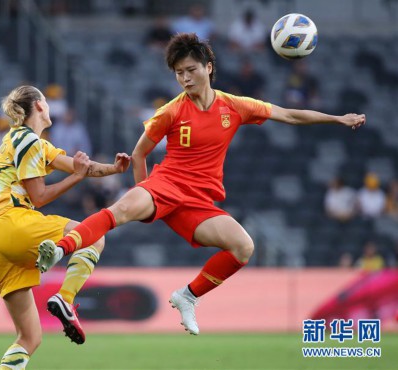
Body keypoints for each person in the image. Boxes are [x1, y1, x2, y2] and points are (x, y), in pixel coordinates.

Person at [36, 33, 366, 336]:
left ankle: (188, 296)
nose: (185, 78)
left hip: (200, 202)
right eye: (179, 73)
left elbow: (290, 115)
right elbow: (139, 154)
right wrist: (146, 194)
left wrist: (337, 118)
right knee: (121, 209)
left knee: (244, 247)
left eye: (190, 69)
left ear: (208, 67)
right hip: (165, 185)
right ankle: (60, 250)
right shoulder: (171, 111)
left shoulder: (235, 106)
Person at [0, 85, 130, 368]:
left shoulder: (30, 142)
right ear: (38, 105)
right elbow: (39, 196)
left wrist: (114, 169)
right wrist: (78, 178)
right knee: (95, 234)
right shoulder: (27, 141)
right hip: (11, 221)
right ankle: (65, 297)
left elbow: (79, 166)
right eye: (46, 101)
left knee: (29, 337)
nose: (49, 106)